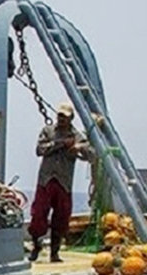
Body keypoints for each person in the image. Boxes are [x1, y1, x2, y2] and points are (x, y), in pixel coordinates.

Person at [28, 102, 92, 263]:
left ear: (71, 118)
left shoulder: (77, 136)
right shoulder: (48, 131)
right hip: (46, 180)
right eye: (60, 116)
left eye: (65, 117)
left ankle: (54, 252)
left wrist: (78, 148)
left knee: (62, 217)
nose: (61, 119)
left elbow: (90, 154)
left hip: (64, 181)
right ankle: (36, 245)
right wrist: (60, 144)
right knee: (38, 215)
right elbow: (39, 149)